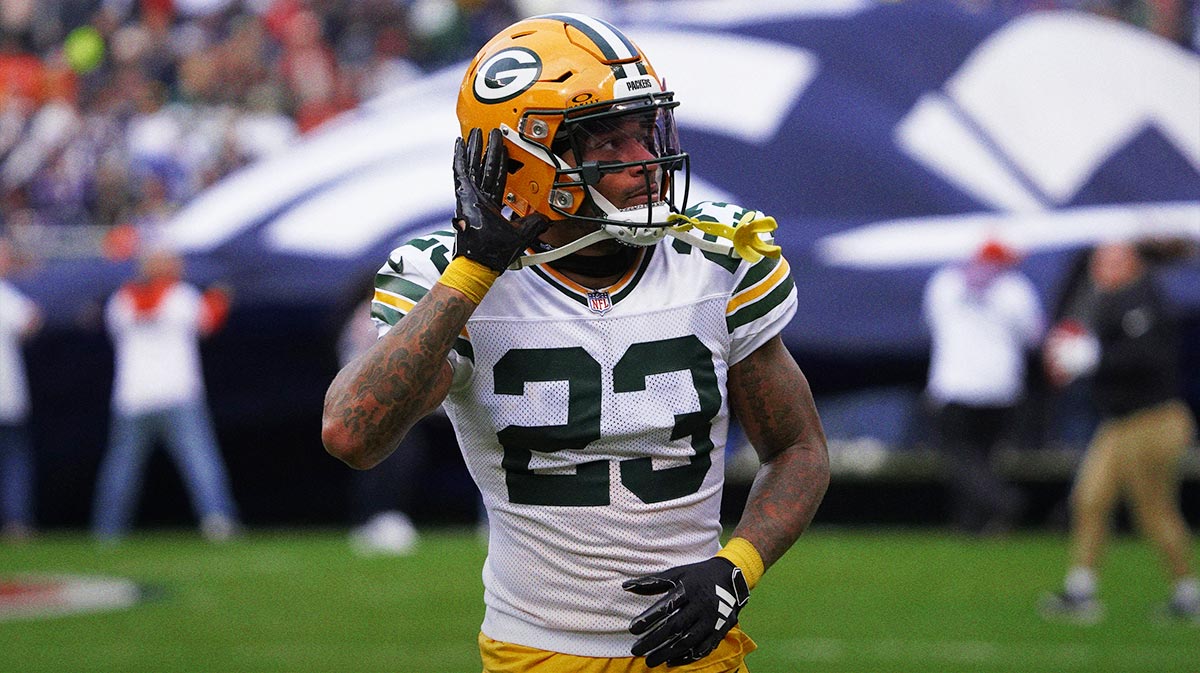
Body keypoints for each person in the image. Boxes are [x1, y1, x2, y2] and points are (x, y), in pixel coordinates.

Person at [322, 13, 830, 672]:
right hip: (536, 652)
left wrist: (737, 566)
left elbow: (799, 448)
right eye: (610, 145)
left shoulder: (717, 258)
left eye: (646, 133)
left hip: (697, 655)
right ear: (527, 160)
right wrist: (475, 269)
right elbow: (351, 432)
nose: (646, 163)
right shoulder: (445, 277)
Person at [1040, 240, 1199, 624]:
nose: (1105, 268)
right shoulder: (1106, 301)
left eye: (1114, 260)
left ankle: (1188, 593)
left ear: (1134, 265)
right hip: (1119, 421)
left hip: (1153, 419)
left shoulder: (1144, 300)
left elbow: (1149, 358)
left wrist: (1095, 358)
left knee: (1154, 511)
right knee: (1089, 500)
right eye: (1101, 261)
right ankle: (1081, 590)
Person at [92, 248, 241, 542]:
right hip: (177, 393)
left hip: (133, 396)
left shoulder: (121, 300)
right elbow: (208, 322)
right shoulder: (182, 296)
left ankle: (107, 530)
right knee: (199, 461)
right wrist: (220, 297)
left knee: (121, 467)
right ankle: (218, 521)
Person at [922, 238, 1045, 535]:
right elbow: (1034, 336)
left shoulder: (945, 283)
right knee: (984, 456)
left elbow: (932, 323)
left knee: (961, 457)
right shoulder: (1016, 289)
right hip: (1001, 387)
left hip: (954, 384)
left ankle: (1000, 503)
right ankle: (973, 522)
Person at [0, 236, 42, 541]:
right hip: (6, 395)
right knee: (14, 460)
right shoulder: (6, 296)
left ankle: (16, 522)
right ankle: (16, 524)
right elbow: (32, 321)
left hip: (7, 396)